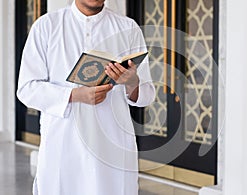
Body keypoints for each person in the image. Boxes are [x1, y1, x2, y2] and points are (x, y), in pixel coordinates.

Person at [16, 0, 155, 194]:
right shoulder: (47, 26)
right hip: (62, 144)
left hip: (112, 146)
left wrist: (131, 82)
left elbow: (146, 95)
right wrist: (74, 95)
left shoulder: (128, 28)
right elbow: (27, 89)